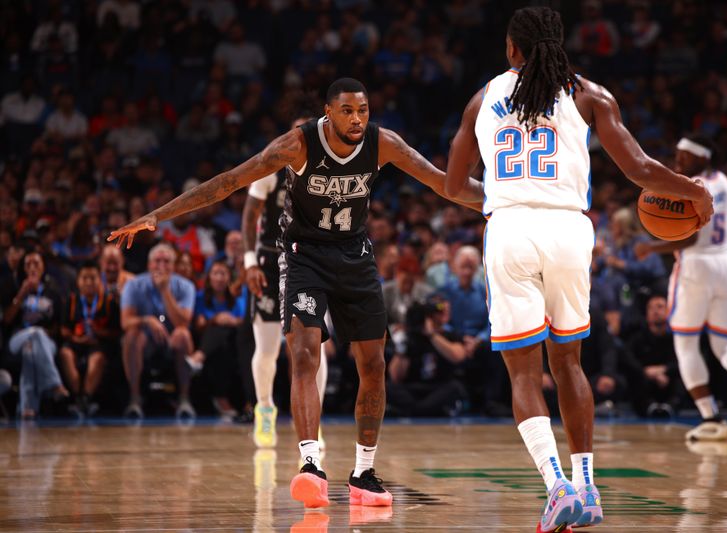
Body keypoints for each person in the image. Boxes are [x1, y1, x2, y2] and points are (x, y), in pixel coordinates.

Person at [108, 77, 483, 509]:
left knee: (374, 363)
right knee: (304, 351)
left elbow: (443, 184)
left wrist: (499, 201)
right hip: (304, 255)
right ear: (328, 112)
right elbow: (229, 181)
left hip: (355, 255)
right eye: (347, 111)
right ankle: (310, 464)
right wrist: (158, 215)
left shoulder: (384, 143)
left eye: (363, 110)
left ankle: (364, 472)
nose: (357, 118)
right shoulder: (298, 145)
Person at [444, 7, 712, 532]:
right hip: (569, 230)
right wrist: (694, 190)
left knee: (523, 371)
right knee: (569, 363)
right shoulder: (590, 94)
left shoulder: (482, 99)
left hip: (512, 229)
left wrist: (503, 198)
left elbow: (454, 186)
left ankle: (556, 487)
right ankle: (586, 487)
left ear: (512, 48)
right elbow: (638, 168)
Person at [636, 134, 727, 441]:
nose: (678, 161)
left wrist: (652, 248)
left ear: (702, 157)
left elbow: (692, 237)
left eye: (684, 157)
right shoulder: (726, 183)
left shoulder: (692, 185)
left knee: (685, 344)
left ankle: (711, 417)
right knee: (724, 343)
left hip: (696, 266)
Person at [242, 116, 329, 448]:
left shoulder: (328, 168)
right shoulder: (273, 164)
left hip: (309, 260)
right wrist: (249, 262)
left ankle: (312, 419)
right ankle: (264, 408)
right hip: (269, 258)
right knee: (266, 350)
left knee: (315, 348)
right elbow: (250, 216)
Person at [120, 243, 196, 419]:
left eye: (167, 261)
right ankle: (135, 398)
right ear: (149, 265)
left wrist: (165, 291)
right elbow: (126, 322)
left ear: (173, 266)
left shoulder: (186, 286)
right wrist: (147, 320)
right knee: (131, 336)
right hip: (145, 339)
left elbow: (183, 321)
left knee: (183, 334)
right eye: (157, 261)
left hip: (172, 339)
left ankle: (184, 398)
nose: (161, 266)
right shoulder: (133, 285)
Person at [1, 251, 68, 418]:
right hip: (17, 339)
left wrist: (45, 333)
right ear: (23, 268)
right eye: (28, 264)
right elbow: (7, 320)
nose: (32, 267)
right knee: (33, 334)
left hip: (45, 343)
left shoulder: (52, 291)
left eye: (36, 263)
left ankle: (27, 408)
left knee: (30, 349)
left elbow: (58, 326)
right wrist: (21, 294)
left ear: (43, 267)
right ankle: (54, 383)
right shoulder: (13, 286)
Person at [60, 261, 120, 417]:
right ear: (78, 281)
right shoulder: (71, 301)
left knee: (98, 358)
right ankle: (76, 396)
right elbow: (64, 329)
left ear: (99, 280)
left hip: (98, 343)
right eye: (84, 278)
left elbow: (116, 332)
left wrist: (99, 332)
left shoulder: (109, 302)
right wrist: (75, 338)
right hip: (76, 342)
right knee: (65, 354)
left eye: (92, 278)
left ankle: (86, 397)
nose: (88, 282)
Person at [189, 260, 245, 418]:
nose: (219, 278)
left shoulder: (236, 298)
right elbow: (199, 325)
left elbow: (242, 322)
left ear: (229, 278)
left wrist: (231, 320)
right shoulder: (200, 297)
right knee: (218, 330)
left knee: (226, 331)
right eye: (216, 273)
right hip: (207, 339)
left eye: (223, 274)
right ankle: (221, 398)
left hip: (234, 341)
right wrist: (215, 319)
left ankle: (198, 357)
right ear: (209, 277)